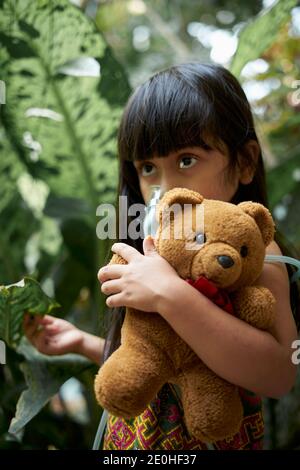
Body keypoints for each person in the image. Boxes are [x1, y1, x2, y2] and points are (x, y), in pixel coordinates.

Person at [24, 62, 300, 450]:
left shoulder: (255, 258)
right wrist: (83, 342)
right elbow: (160, 359)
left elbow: (279, 375)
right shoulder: (158, 255)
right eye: (148, 167)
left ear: (245, 162)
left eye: (186, 160)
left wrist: (171, 296)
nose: (165, 188)